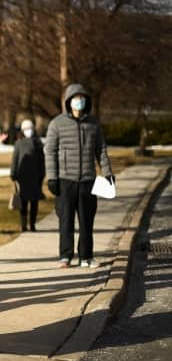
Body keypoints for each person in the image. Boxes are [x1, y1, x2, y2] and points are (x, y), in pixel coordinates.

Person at [45, 83, 113, 268]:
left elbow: (101, 151)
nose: (79, 101)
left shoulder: (93, 124)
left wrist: (107, 173)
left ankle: (86, 257)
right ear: (68, 102)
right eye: (75, 98)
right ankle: (65, 256)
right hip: (65, 180)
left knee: (86, 221)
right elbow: (49, 152)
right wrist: (52, 177)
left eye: (82, 98)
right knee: (65, 220)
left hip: (88, 181)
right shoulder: (57, 124)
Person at [10, 119, 45, 231]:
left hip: (35, 176)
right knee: (23, 202)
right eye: (25, 129)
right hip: (22, 175)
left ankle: (32, 224)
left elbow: (41, 160)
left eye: (29, 128)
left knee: (34, 202)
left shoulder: (38, 142)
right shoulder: (19, 143)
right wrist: (13, 173)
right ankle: (24, 224)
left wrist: (42, 174)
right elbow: (15, 159)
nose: (28, 131)